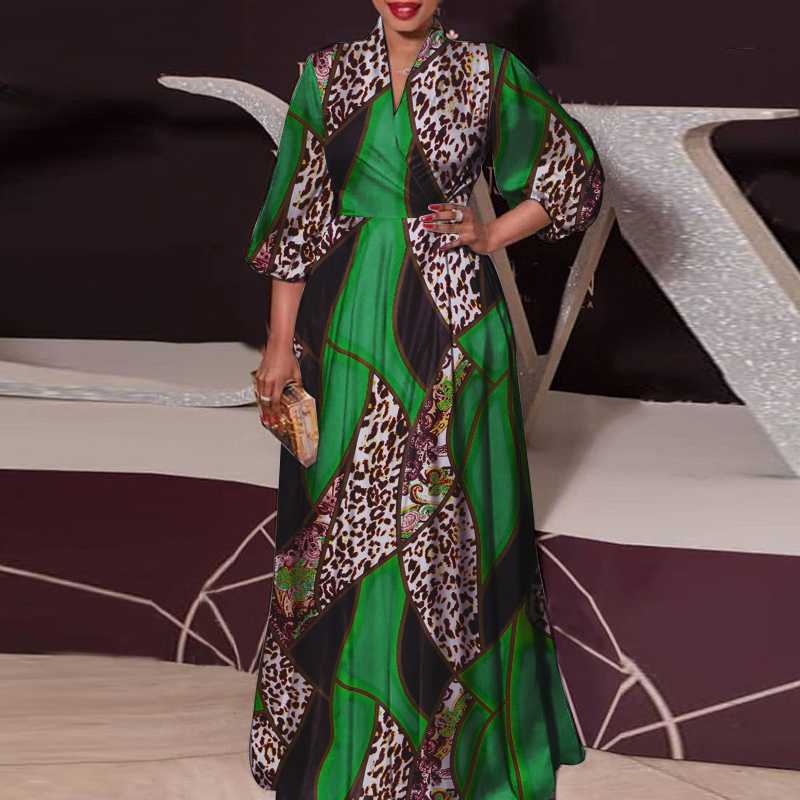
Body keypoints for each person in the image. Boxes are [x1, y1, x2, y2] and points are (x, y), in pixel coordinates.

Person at [246, 1, 604, 797]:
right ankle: (345, 745)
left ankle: (442, 757)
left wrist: (494, 232)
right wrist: (278, 341)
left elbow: (570, 174)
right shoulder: (325, 74)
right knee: (339, 527)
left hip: (453, 326)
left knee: (442, 534)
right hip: (345, 325)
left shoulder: (486, 72)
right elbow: (298, 217)